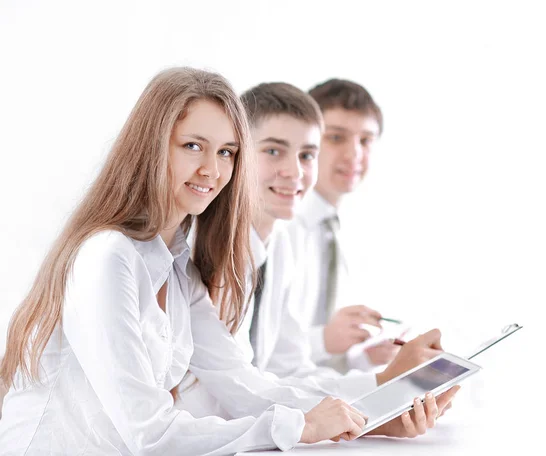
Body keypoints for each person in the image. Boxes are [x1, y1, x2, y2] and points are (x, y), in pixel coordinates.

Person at [0, 67, 381, 455]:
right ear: (152, 146)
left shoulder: (178, 264)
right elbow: (151, 433)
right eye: (193, 146)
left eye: (226, 152)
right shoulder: (108, 256)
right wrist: (300, 426)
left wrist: (359, 419)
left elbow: (239, 380)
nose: (212, 170)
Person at [174, 81, 457, 427]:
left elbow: (288, 371)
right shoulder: (197, 251)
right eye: (274, 151)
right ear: (238, 155)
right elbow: (235, 391)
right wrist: (378, 393)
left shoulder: (278, 246)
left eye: (307, 155)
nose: (294, 172)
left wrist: (377, 411)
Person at [284, 78, 397, 373]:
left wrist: (365, 357)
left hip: (320, 394)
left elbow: (324, 361)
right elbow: (257, 353)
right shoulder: (281, 227)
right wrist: (324, 340)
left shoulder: (339, 230)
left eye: (366, 141)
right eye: (336, 137)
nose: (354, 154)